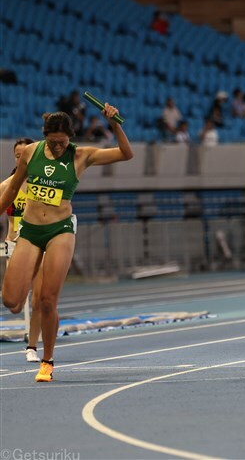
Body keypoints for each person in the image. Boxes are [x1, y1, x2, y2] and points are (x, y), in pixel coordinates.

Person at [0, 106, 133, 382]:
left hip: (60, 229)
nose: (58, 147)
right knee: (12, 301)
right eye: (53, 142)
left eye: (62, 142)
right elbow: (12, 189)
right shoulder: (30, 152)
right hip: (30, 229)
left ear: (69, 137)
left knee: (47, 300)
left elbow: (125, 153)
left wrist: (114, 124)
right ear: (44, 136)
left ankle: (46, 361)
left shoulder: (81, 154)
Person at [0, 138, 42, 362]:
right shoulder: (7, 186)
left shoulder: (42, 185)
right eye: (18, 155)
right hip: (14, 246)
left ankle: (32, 346)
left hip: (37, 243)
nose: (22, 157)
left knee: (39, 298)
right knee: (14, 304)